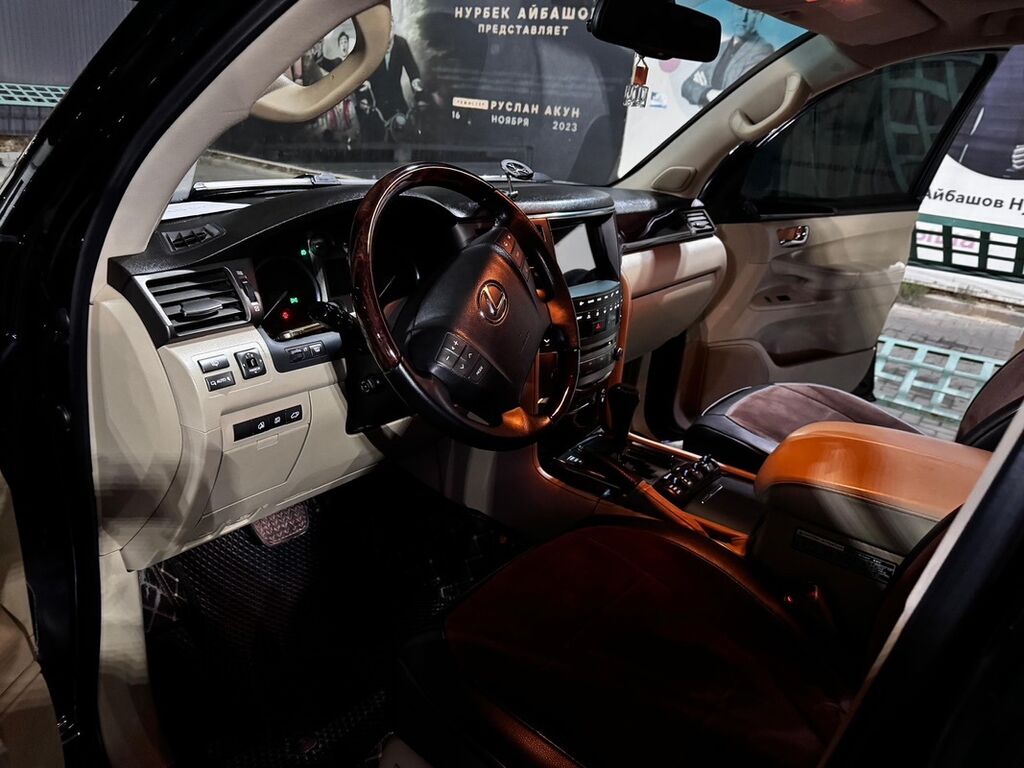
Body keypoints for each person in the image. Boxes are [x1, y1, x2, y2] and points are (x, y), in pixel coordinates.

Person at [680, 7, 774, 107]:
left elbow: (736, 97)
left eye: (751, 12)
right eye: (740, 9)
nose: (744, 18)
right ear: (733, 11)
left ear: (760, 17)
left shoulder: (763, 50)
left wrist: (703, 90)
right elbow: (687, 85)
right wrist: (709, 93)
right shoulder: (721, 47)